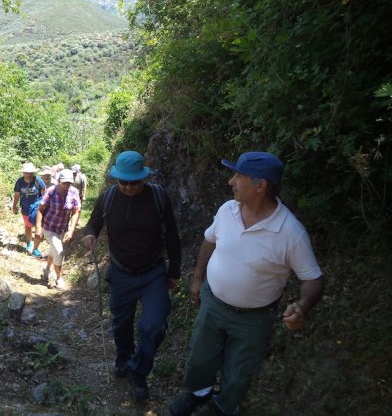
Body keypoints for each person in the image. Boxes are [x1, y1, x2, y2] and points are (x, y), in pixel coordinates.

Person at [169, 152, 324, 416]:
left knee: (239, 371)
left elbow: (312, 278)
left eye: (238, 176)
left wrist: (303, 305)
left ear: (260, 186)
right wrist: (197, 279)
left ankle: (224, 407)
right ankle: (197, 393)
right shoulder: (227, 210)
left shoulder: (290, 232)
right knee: (200, 357)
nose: (231, 181)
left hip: (254, 318)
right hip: (213, 303)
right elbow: (209, 242)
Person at [82, 151, 181, 401]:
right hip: (120, 272)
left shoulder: (158, 196)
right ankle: (123, 357)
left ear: (143, 178)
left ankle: (138, 371)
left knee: (154, 325)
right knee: (121, 322)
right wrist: (90, 234)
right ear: (116, 178)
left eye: (134, 182)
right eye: (123, 182)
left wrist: (174, 270)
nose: (128, 187)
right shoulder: (108, 197)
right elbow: (94, 223)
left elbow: (171, 234)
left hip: (153, 273)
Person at [35, 169, 81, 289]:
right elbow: (41, 209)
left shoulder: (74, 192)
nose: (66, 185)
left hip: (62, 228)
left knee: (54, 250)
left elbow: (76, 211)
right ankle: (59, 278)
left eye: (69, 183)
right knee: (59, 250)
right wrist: (38, 228)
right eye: (64, 183)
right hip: (48, 226)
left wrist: (71, 230)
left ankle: (46, 270)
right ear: (59, 181)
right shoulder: (51, 190)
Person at [12, 162, 45, 258]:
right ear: (23, 173)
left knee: (38, 227)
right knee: (28, 226)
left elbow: (44, 192)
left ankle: (36, 249)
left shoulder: (38, 180)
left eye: (30, 173)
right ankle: (29, 243)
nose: (29, 175)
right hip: (25, 208)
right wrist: (14, 206)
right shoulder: (20, 182)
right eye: (26, 173)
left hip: (37, 208)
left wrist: (45, 205)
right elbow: (17, 195)